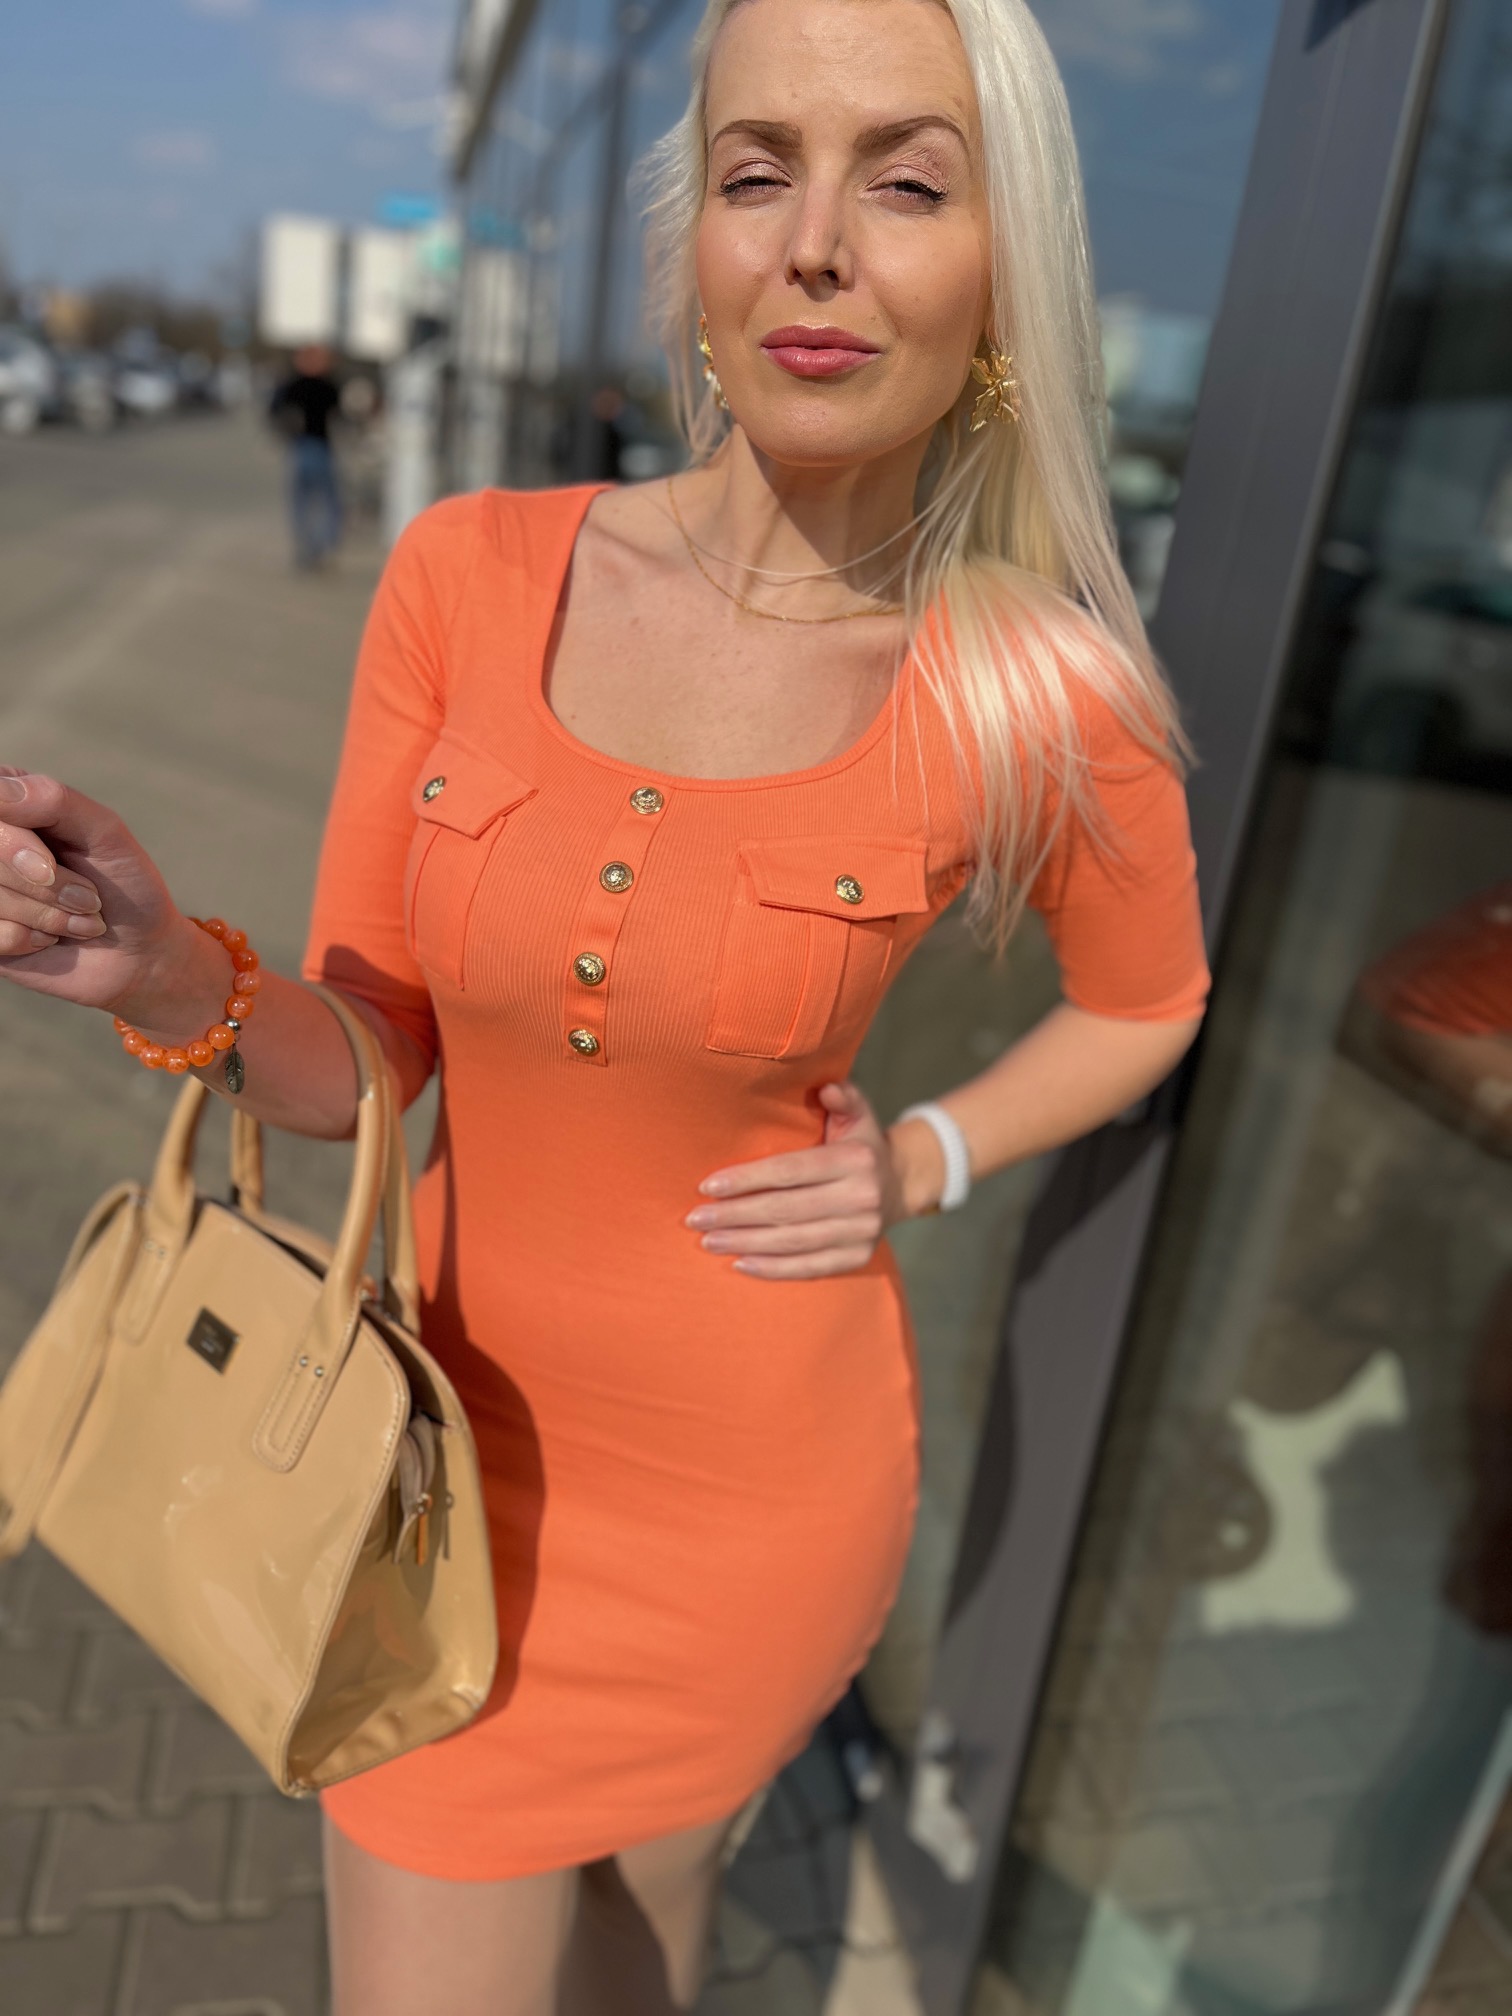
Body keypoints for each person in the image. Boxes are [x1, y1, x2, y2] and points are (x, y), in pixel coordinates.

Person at [0, 0, 1211, 2009]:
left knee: (642, 1956)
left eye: (908, 184)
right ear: (693, 245)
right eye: (758, 172)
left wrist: (922, 1155)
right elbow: (369, 1063)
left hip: (752, 1508)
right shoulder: (468, 573)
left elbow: (1149, 1002)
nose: (813, 243)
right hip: (420, 1472)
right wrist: (162, 970)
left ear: (1005, 270)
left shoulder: (1033, 689)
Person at [269, 343, 343, 569]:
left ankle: (309, 548)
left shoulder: (291, 385)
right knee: (324, 501)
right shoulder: (327, 385)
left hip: (305, 447)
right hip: (316, 447)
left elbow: (273, 412)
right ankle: (317, 547)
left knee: (305, 502)